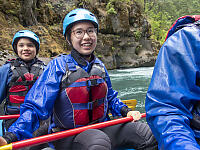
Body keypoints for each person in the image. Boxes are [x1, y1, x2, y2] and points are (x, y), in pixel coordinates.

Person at [0, 8, 157, 150]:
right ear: (69, 38)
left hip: (102, 126)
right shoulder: (58, 66)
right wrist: (11, 136)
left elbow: (110, 97)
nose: (86, 37)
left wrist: (126, 111)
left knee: (147, 134)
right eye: (79, 32)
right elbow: (35, 106)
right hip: (68, 135)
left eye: (91, 31)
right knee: (97, 141)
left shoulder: (99, 66)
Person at [145, 15, 200, 149]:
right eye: (82, 32)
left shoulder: (99, 68)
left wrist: (125, 110)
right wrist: (124, 109)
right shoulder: (186, 40)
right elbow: (167, 108)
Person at [0, 30, 49, 149]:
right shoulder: (6, 70)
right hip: (12, 120)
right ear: (16, 48)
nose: (25, 48)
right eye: (21, 45)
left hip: (39, 121)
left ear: (36, 49)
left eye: (30, 45)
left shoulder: (46, 70)